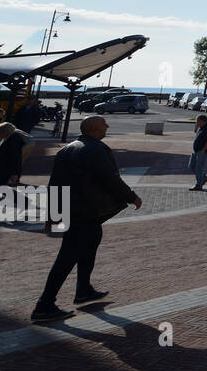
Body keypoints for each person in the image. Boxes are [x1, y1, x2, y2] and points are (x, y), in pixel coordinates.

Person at [31, 116, 141, 322]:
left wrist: (53, 213)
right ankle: (44, 305)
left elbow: (55, 183)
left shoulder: (67, 149)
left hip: (77, 211)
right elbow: (109, 179)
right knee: (67, 257)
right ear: (94, 129)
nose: (107, 126)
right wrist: (131, 196)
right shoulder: (95, 149)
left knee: (91, 243)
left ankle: (84, 289)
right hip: (85, 210)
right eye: (104, 124)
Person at [0, 121, 27, 188]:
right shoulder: (10, 139)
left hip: (3, 170)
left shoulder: (12, 141)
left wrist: (14, 173)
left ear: (5, 131)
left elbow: (15, 158)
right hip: (1, 168)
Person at [189, 114, 207, 190]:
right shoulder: (200, 127)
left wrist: (203, 150)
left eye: (198, 121)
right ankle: (204, 177)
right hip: (195, 151)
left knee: (198, 168)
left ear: (203, 121)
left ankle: (198, 185)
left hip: (202, 152)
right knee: (191, 166)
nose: (196, 122)